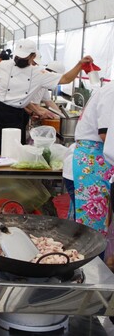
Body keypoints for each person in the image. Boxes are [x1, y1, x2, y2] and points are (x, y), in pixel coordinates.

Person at [0, 39, 93, 153]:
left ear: (32, 57)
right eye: (18, 57)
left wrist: (79, 65)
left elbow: (65, 79)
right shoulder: (5, 65)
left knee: (12, 153)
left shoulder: (38, 73)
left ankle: (9, 181)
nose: (19, 60)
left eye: (23, 57)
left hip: (14, 116)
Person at [72, 81, 114, 236]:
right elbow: (106, 135)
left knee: (100, 221)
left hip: (101, 157)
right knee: (93, 226)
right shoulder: (112, 92)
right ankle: (91, 260)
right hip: (93, 161)